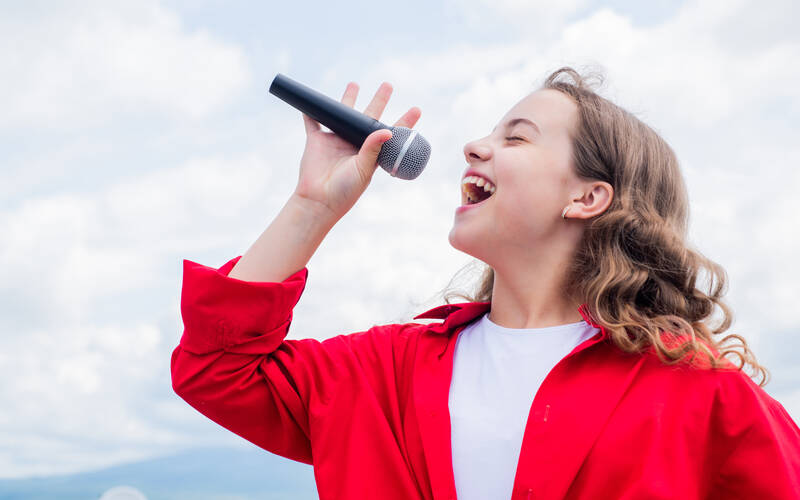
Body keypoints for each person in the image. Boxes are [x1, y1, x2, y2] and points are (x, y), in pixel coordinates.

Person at [170, 68, 800, 499]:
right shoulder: (383, 372)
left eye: (515, 137)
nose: (473, 146)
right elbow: (216, 369)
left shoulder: (703, 395)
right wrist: (312, 205)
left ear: (588, 196)